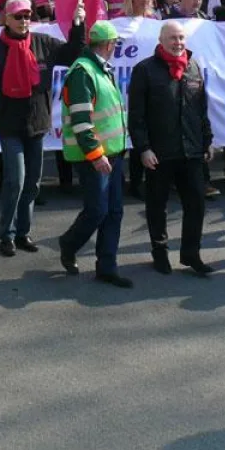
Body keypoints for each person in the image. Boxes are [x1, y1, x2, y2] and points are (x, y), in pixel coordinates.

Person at [0, 0, 84, 257]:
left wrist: (79, 24)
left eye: (27, 16)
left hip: (37, 124)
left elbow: (74, 53)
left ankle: (23, 232)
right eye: (18, 16)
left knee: (33, 182)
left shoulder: (43, 43)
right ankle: (7, 234)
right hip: (10, 125)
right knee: (15, 181)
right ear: (6, 19)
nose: (24, 21)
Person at [128, 21, 214, 276]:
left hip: (192, 151)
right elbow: (136, 115)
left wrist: (207, 141)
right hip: (160, 152)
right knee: (157, 206)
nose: (178, 43)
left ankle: (191, 253)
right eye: (173, 38)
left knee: (196, 203)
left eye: (181, 38)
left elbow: (201, 109)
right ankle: (160, 252)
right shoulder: (145, 70)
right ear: (161, 40)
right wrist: (143, 148)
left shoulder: (194, 66)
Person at [57, 20, 132, 287]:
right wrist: (95, 154)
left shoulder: (97, 68)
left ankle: (107, 266)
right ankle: (69, 243)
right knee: (98, 210)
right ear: (110, 44)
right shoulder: (83, 72)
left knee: (113, 211)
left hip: (111, 152)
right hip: (95, 157)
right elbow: (82, 120)